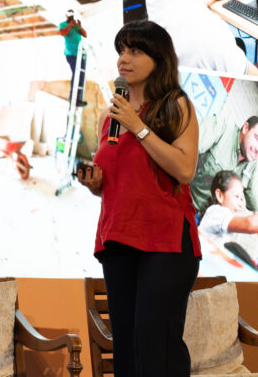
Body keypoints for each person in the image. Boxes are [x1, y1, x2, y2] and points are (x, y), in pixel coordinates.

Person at [77, 20, 200, 376]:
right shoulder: (110, 116)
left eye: (134, 50)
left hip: (165, 241)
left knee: (156, 348)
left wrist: (138, 126)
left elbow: (185, 170)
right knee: (127, 352)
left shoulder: (176, 105)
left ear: (158, 59)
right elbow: (115, 178)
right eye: (121, 50)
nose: (123, 59)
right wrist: (95, 182)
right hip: (119, 237)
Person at [192, 114, 258, 216]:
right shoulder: (223, 127)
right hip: (182, 198)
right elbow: (186, 147)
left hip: (202, 219)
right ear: (245, 128)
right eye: (257, 139)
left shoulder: (253, 166)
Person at [58, 9, 88, 106]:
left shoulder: (76, 26)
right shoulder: (63, 24)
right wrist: (70, 25)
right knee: (76, 74)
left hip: (80, 54)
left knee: (81, 75)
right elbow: (62, 33)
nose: (71, 16)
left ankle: (79, 98)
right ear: (66, 15)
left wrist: (79, 26)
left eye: (72, 14)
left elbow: (85, 34)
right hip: (71, 54)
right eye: (69, 14)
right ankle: (73, 99)